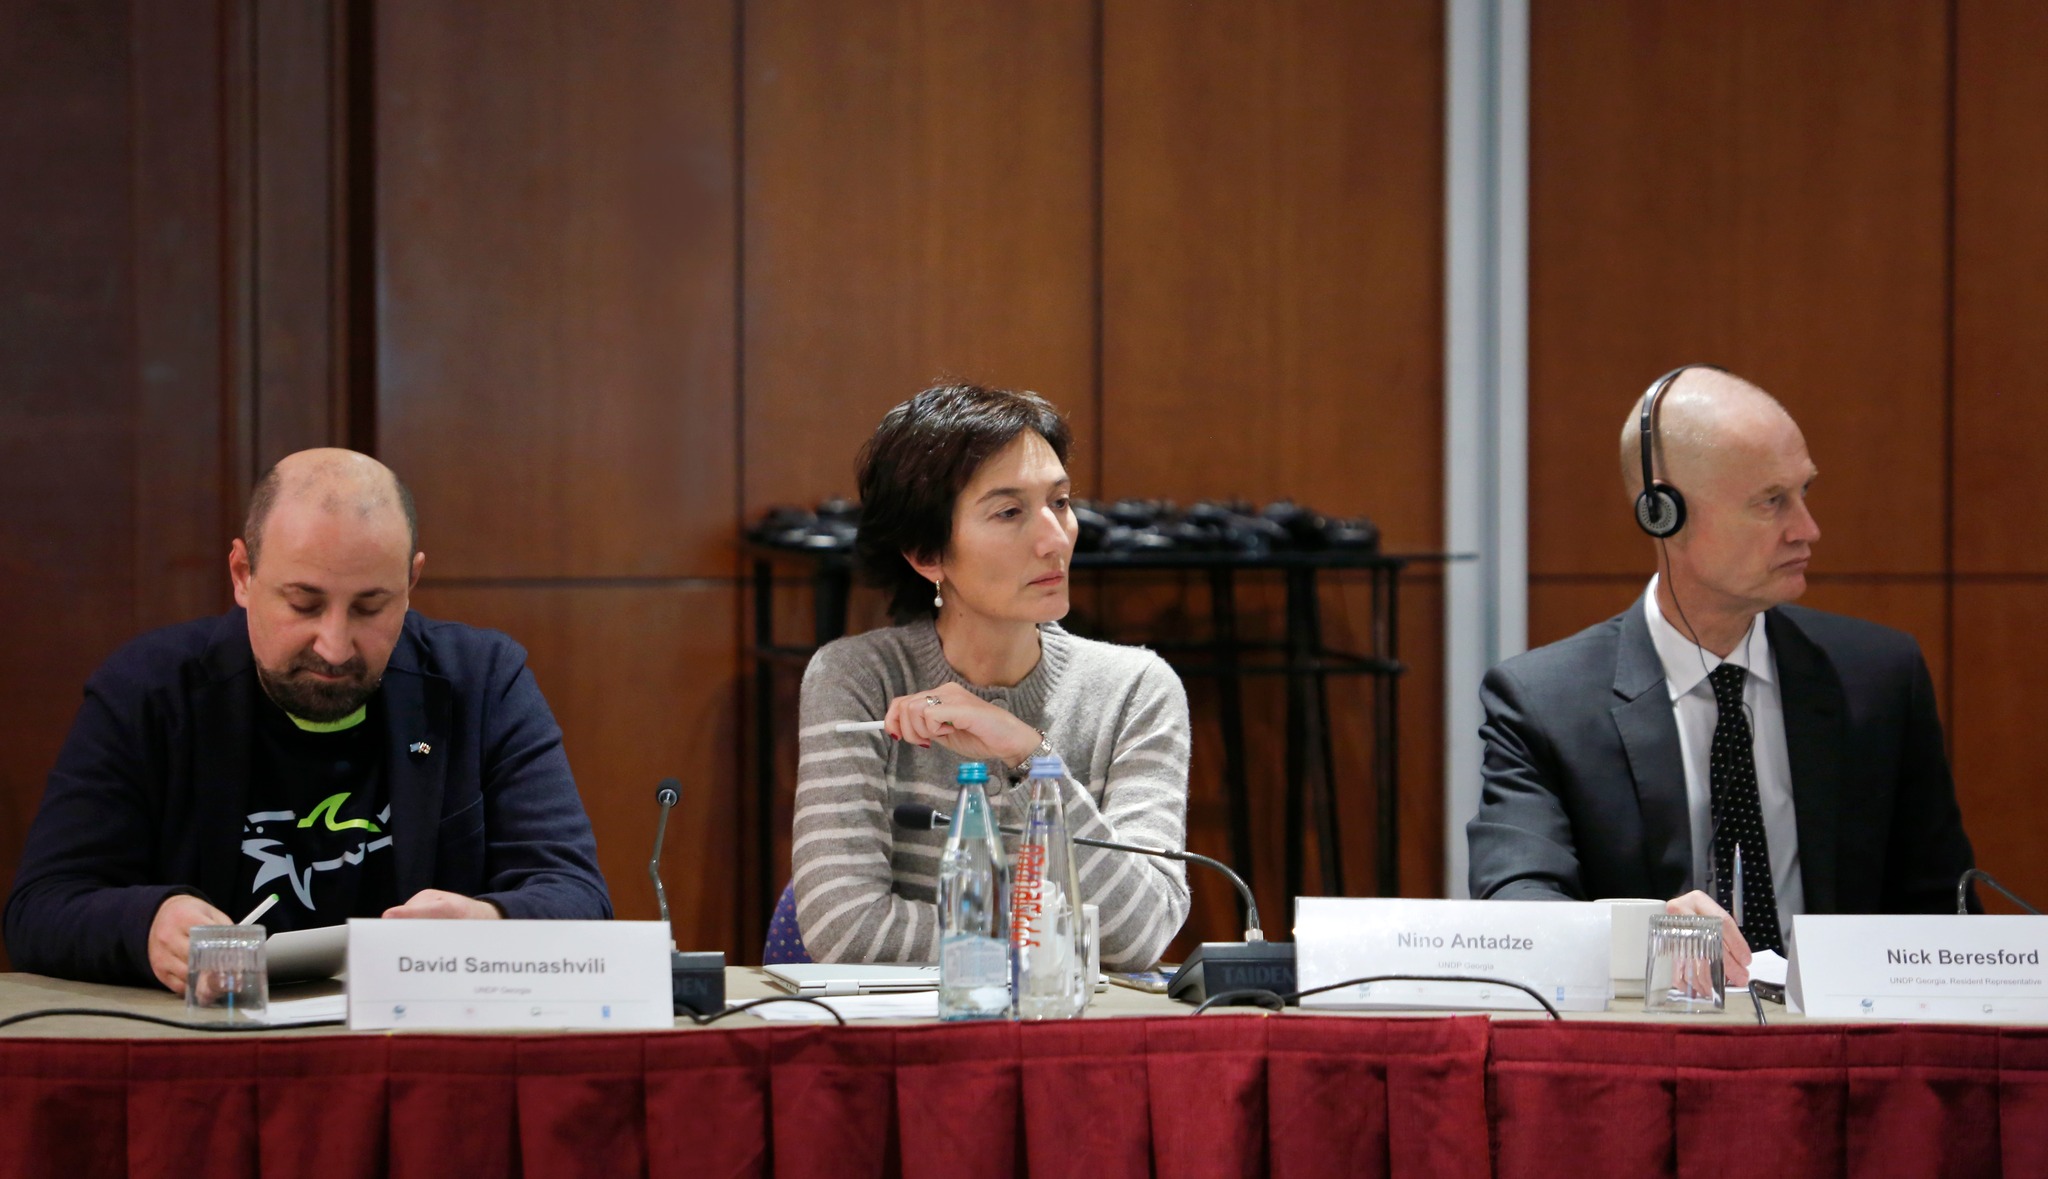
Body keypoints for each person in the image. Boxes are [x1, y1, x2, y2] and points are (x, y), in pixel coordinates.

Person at [4, 449, 611, 992]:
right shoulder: (149, 691)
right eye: (304, 603)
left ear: (410, 583)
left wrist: (491, 922)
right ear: (242, 575)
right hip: (210, 1046)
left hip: (414, 1042)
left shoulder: (481, 682)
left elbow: (579, 896)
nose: (334, 646)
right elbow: (40, 907)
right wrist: (147, 924)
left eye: (370, 607)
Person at [1467, 366, 1975, 985]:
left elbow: (1946, 909)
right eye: (1771, 501)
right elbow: (1516, 905)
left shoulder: (1879, 677)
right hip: (1648, 1034)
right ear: (1664, 514)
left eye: (1804, 492)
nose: (1807, 529)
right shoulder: (1544, 702)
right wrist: (1647, 930)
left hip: (1842, 1032)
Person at [793, 383, 1192, 971]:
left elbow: (1140, 933)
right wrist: (1057, 934)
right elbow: (845, 927)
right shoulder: (858, 678)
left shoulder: (1136, 690)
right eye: (1009, 512)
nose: (1055, 539)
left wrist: (1031, 757)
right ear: (927, 555)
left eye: (1060, 502)